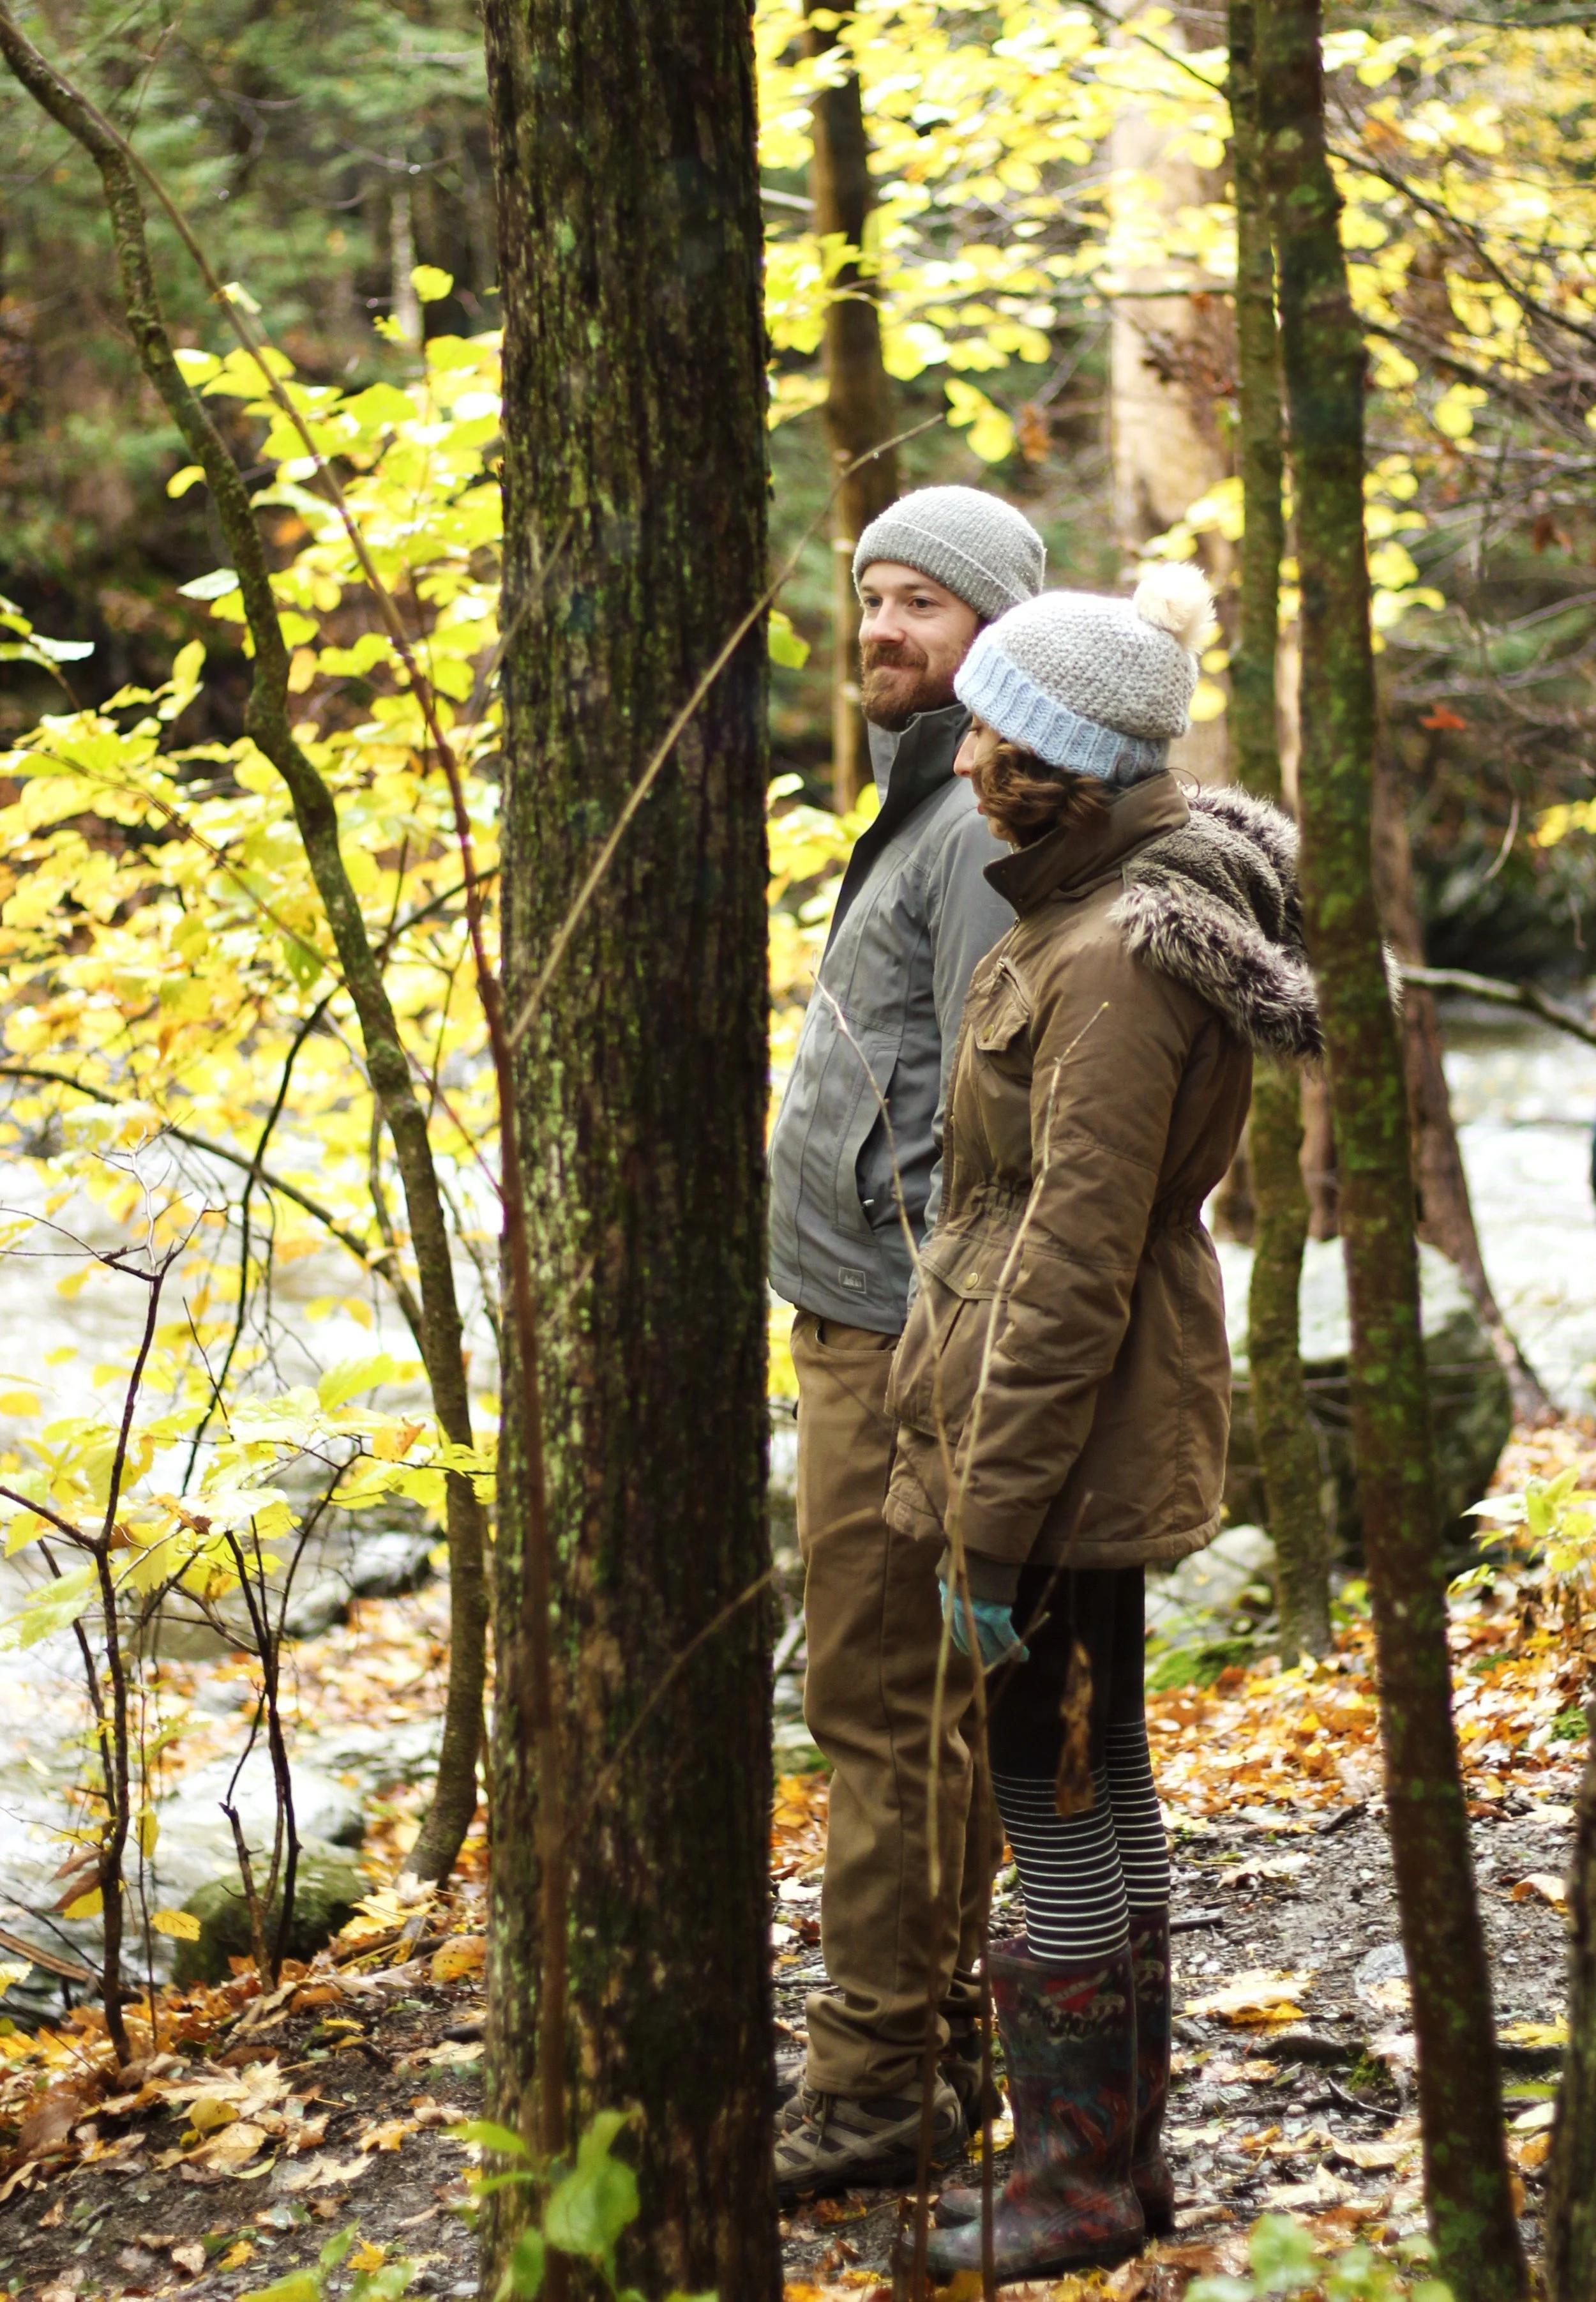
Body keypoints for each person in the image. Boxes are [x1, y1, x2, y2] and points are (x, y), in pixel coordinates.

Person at [882, 567, 1321, 2282]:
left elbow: (1067, 1265)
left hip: (1055, 1443)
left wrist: (991, 1523)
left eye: (994, 722)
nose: (967, 743)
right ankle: (1112, 2164)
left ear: (1049, 754)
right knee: (1096, 1766)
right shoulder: (1102, 909)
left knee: (1049, 1790)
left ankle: (1069, 2180)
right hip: (1062, 1427)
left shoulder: (1116, 955)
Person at [768, 485, 1047, 2196]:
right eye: (871, 595)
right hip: (868, 1317)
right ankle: (933, 2045)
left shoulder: (973, 828)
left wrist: (951, 1363)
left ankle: (871, 2081)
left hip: (898, 1336)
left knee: (876, 1705)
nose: (883, 628)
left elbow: (983, 1117)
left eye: (923, 603)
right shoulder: (928, 790)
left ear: (995, 630)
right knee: (922, 1708)